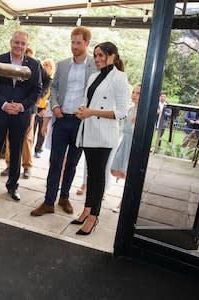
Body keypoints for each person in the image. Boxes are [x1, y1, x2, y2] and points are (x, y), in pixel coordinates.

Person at [31, 26, 96, 217]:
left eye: (78, 43)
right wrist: (56, 106)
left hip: (80, 122)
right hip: (61, 119)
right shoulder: (63, 64)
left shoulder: (95, 65)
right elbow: (55, 88)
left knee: (72, 163)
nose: (74, 46)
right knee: (55, 162)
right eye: (72, 42)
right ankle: (49, 201)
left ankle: (64, 198)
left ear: (86, 43)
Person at [71, 42, 129, 235]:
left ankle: (94, 216)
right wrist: (82, 111)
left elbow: (122, 112)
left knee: (98, 176)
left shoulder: (120, 78)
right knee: (90, 175)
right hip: (88, 131)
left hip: (104, 135)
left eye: (101, 55)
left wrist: (91, 112)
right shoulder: (94, 76)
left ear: (112, 56)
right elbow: (87, 102)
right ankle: (87, 209)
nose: (97, 59)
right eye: (95, 55)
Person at [0, 31, 41, 201]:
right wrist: (4, 104)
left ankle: (13, 187)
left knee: (16, 153)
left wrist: (22, 106)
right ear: (11, 42)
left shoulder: (34, 65)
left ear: (26, 45)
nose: (19, 46)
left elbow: (36, 89)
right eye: (17, 42)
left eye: (23, 43)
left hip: (20, 115)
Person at [0, 47, 49, 179]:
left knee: (27, 137)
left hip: (29, 108)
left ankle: (27, 166)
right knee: (9, 136)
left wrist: (39, 97)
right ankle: (10, 164)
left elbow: (47, 81)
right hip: (11, 106)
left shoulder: (36, 64)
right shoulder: (9, 64)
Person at [110, 84, 141, 213]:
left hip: (133, 144)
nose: (134, 95)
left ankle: (124, 203)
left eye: (138, 93)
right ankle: (134, 191)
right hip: (124, 141)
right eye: (133, 92)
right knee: (115, 170)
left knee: (128, 173)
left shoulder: (142, 112)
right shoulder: (130, 109)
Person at [34, 58, 55, 158]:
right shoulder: (39, 79)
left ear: (52, 68)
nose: (46, 67)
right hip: (35, 108)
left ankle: (38, 149)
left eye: (48, 66)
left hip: (45, 109)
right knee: (31, 130)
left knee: (41, 132)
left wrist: (45, 110)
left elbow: (52, 98)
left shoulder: (52, 82)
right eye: (44, 65)